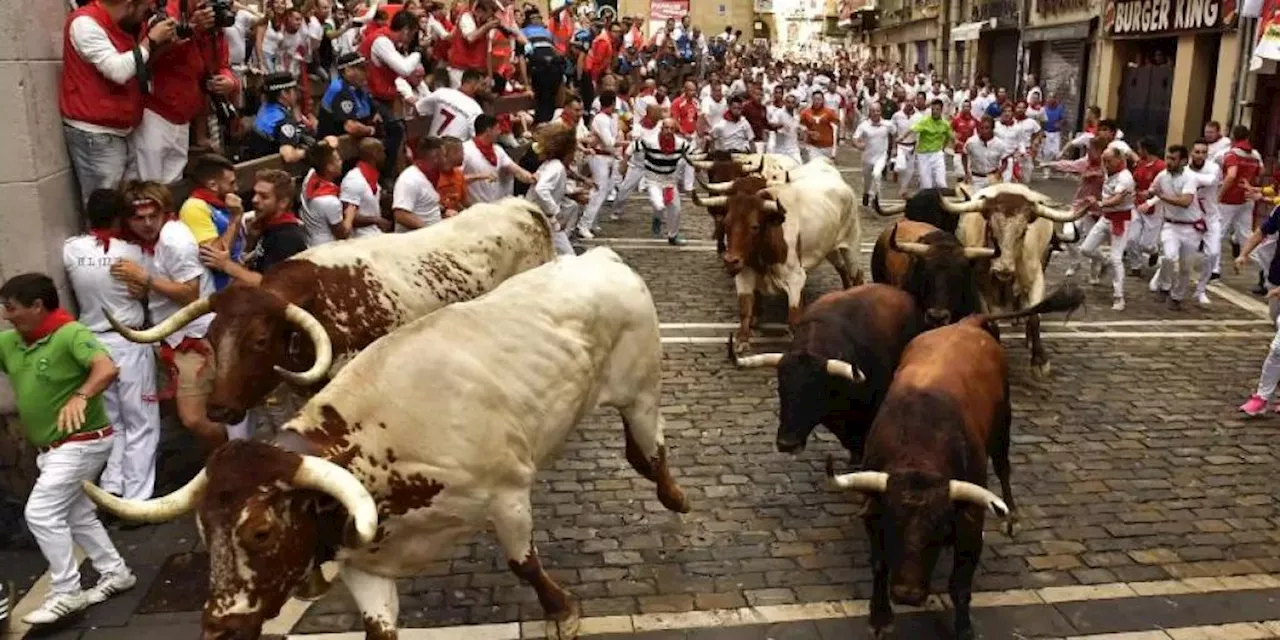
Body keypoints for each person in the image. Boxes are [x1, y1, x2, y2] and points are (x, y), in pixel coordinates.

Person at [1, 273, 135, 625]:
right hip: (54, 449)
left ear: (37, 306)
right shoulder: (11, 343)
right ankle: (116, 572)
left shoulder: (72, 334)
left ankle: (66, 592)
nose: (5, 315)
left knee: (41, 513)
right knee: (77, 515)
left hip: (82, 443)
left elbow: (106, 368)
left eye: (11, 308)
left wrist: (81, 395)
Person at [114, 181, 225, 452]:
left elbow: (191, 294)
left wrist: (146, 279)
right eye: (139, 218)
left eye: (154, 216)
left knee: (193, 418)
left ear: (166, 212)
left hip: (196, 339)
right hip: (174, 339)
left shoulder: (174, 240)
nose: (148, 223)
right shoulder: (151, 242)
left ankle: (230, 457)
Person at [62, 189, 158, 504]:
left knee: (112, 421)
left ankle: (113, 486)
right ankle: (137, 497)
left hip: (93, 345)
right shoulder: (136, 255)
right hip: (130, 341)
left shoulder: (72, 250)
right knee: (140, 422)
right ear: (120, 218)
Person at [60, 0, 174, 202]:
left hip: (120, 128)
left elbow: (137, 64)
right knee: (106, 209)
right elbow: (118, 71)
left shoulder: (122, 26)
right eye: (146, 7)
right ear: (130, 4)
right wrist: (150, 40)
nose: (148, 13)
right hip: (96, 134)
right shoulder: (85, 23)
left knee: (123, 205)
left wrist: (160, 45)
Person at [136, 0, 239, 183]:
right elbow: (146, 58)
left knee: (173, 184)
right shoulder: (164, 10)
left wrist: (229, 81)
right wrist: (191, 28)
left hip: (185, 118)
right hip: (155, 113)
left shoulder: (213, 18)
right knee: (149, 186)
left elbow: (221, 64)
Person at [198, 170, 308, 286]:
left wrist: (226, 265)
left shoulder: (286, 238)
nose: (254, 200)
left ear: (283, 203)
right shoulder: (269, 227)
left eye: (264, 197)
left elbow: (270, 284)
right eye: (255, 193)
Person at [360, 10, 424, 179]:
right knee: (396, 129)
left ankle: (388, 174)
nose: (411, 39)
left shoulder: (389, 42)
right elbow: (403, 68)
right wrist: (417, 52)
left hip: (383, 94)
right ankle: (384, 176)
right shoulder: (381, 41)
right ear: (405, 30)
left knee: (399, 127)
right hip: (370, 95)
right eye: (412, 34)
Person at [1139, 145, 1203, 310]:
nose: (1169, 162)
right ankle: (1165, 287)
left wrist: (1161, 196)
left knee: (1185, 267)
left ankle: (1177, 297)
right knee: (1168, 256)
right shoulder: (1162, 175)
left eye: (1173, 159)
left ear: (1183, 161)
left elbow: (1185, 202)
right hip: (1170, 225)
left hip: (1191, 228)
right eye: (1168, 158)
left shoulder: (1190, 178)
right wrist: (1147, 195)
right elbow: (1153, 189)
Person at [178, 155, 244, 292]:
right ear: (213, 185)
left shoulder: (222, 206)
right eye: (231, 183)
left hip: (236, 284)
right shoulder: (194, 208)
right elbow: (215, 257)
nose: (236, 188)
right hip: (217, 291)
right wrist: (235, 218)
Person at [1081, 148, 1136, 311]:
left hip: (1121, 220)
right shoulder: (1109, 173)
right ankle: (1103, 261)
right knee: (1086, 249)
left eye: (1109, 161)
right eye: (1104, 161)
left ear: (1119, 160)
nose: (1106, 164)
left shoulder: (1125, 178)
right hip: (1106, 218)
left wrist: (1098, 204)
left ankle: (1119, 297)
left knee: (1116, 258)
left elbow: (1117, 199)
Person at [527, 121, 588, 255]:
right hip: (543, 219)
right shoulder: (556, 167)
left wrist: (572, 193)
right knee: (568, 257)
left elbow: (554, 187)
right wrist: (556, 214)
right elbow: (541, 189)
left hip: (540, 219)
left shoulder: (552, 165)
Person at [633, 118, 694, 245]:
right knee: (659, 205)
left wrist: (696, 163)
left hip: (670, 180)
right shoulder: (650, 141)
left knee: (676, 209)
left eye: (672, 129)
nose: (669, 131)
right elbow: (633, 147)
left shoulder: (680, 143)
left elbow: (692, 155)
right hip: (653, 179)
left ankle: (673, 235)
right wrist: (627, 164)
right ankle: (657, 218)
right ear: (661, 129)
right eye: (666, 128)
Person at [247, 72, 319, 163]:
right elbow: (288, 156)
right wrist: (309, 152)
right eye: (294, 91)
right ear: (284, 94)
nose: (297, 95)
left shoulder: (264, 108)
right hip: (271, 168)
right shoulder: (282, 120)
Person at [463, 114, 535, 203]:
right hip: (474, 208)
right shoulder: (465, 150)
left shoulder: (498, 150)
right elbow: (457, 179)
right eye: (497, 129)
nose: (500, 132)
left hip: (495, 208)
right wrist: (480, 176)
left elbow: (516, 170)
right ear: (488, 130)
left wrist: (531, 177)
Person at [580, 90, 621, 239]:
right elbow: (609, 141)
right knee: (598, 190)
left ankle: (592, 221)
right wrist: (627, 143)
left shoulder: (612, 118)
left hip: (608, 157)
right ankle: (584, 224)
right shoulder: (600, 119)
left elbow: (615, 136)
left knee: (606, 189)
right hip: (599, 157)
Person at [300, 142, 354, 245]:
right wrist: (350, 214)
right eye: (338, 160)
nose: (341, 162)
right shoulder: (330, 202)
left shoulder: (310, 176)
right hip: (326, 248)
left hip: (310, 239)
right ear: (330, 167)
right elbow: (343, 234)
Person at [340, 138, 395, 238]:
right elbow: (348, 216)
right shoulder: (354, 179)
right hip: (360, 239)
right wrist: (376, 220)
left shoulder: (371, 177)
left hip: (374, 234)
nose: (385, 156)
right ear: (374, 154)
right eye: (382, 152)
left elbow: (370, 198)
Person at [318, 52, 378, 139]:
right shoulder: (338, 89)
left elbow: (374, 115)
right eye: (362, 68)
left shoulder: (359, 88)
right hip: (336, 144)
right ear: (348, 71)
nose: (366, 73)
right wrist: (371, 130)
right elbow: (351, 127)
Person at [416, 69, 486, 140]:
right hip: (451, 148)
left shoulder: (442, 92)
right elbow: (477, 138)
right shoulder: (476, 109)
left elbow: (418, 108)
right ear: (474, 83)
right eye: (482, 84)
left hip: (432, 144)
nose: (484, 89)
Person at [853, 102, 893, 206]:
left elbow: (896, 134)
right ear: (869, 112)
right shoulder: (864, 125)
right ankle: (866, 193)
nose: (876, 113)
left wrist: (895, 150)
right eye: (873, 111)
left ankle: (876, 197)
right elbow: (855, 138)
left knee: (877, 174)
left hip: (881, 156)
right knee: (867, 180)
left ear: (881, 111)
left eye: (878, 111)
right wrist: (858, 145)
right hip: (867, 157)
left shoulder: (887, 124)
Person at [911, 98, 952, 189]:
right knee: (927, 185)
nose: (934, 112)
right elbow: (912, 130)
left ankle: (941, 201)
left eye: (937, 110)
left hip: (937, 154)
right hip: (923, 155)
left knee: (941, 183)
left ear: (941, 110)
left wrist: (943, 148)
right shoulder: (925, 121)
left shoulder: (945, 124)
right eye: (933, 109)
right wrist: (901, 138)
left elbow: (949, 137)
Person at [890, 94, 924, 197]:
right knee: (901, 167)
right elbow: (893, 131)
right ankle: (894, 167)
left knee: (910, 171)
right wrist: (894, 147)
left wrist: (917, 147)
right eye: (908, 101)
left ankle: (903, 189)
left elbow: (919, 132)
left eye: (912, 101)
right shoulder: (897, 115)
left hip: (912, 146)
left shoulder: (919, 116)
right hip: (900, 145)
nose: (909, 103)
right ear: (904, 101)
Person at [800, 90, 839, 160]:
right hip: (812, 145)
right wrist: (809, 132)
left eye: (819, 99)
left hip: (827, 146)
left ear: (823, 100)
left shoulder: (830, 113)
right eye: (815, 99)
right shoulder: (805, 112)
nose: (817, 102)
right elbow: (799, 126)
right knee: (814, 165)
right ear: (812, 100)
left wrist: (834, 150)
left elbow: (836, 127)